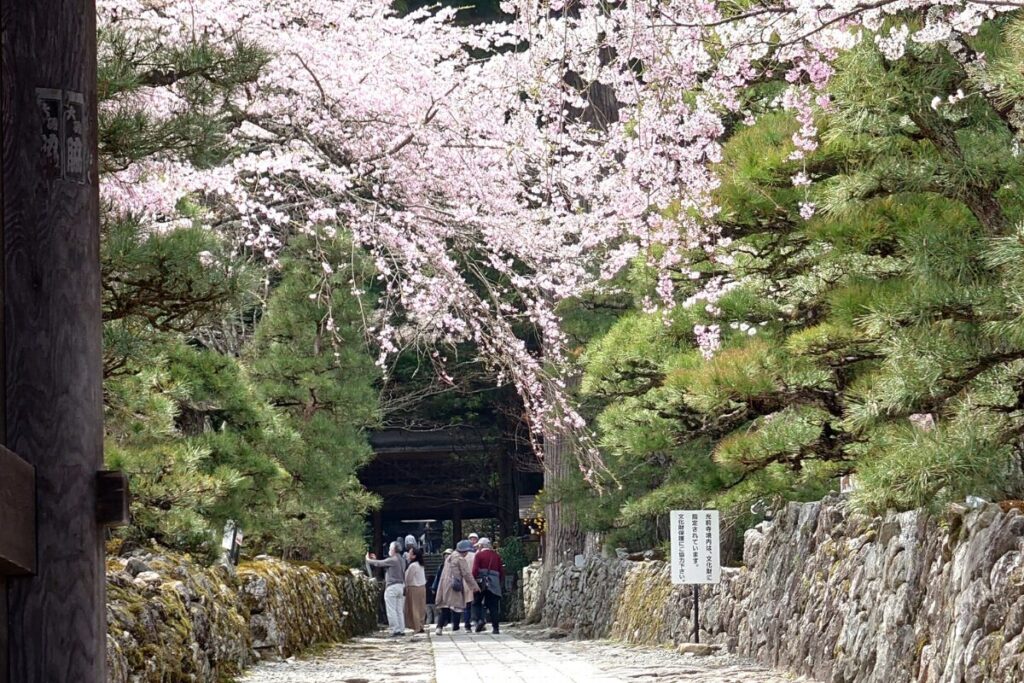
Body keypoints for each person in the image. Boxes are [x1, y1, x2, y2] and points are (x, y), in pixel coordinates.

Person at [434, 540, 479, 634]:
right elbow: (467, 574)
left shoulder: (449, 557)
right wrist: (474, 586)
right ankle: (456, 628)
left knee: (445, 606)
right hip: (455, 584)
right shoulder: (460, 559)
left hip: (444, 584)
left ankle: (439, 627)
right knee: (457, 606)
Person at [365, 542, 406, 637]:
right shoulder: (402, 560)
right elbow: (383, 563)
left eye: (390, 549)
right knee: (399, 610)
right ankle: (401, 628)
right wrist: (376, 559)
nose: (389, 551)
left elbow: (378, 564)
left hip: (392, 587)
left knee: (391, 609)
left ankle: (395, 630)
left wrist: (368, 559)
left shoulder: (393, 559)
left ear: (394, 550)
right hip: (400, 586)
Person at [471, 537, 505, 634]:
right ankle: (495, 628)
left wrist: (473, 582)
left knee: (477, 603)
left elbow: (475, 570)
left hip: (481, 582)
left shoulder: (479, 555)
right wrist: (500, 582)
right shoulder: (496, 556)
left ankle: (480, 620)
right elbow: (501, 571)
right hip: (493, 582)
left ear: (481, 545)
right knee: (493, 606)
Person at [403, 546, 428, 634]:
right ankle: (421, 625)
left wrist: (405, 586)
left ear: (414, 556)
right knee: (421, 607)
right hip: (422, 587)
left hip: (414, 588)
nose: (408, 554)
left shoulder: (413, 566)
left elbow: (408, 578)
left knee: (414, 608)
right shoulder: (420, 565)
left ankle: (416, 626)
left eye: (410, 553)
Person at [463, 534, 479, 630]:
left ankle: (467, 624)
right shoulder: (476, 555)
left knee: (467, 605)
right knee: (476, 603)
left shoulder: (463, 557)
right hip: (475, 581)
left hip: (465, 582)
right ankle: (477, 621)